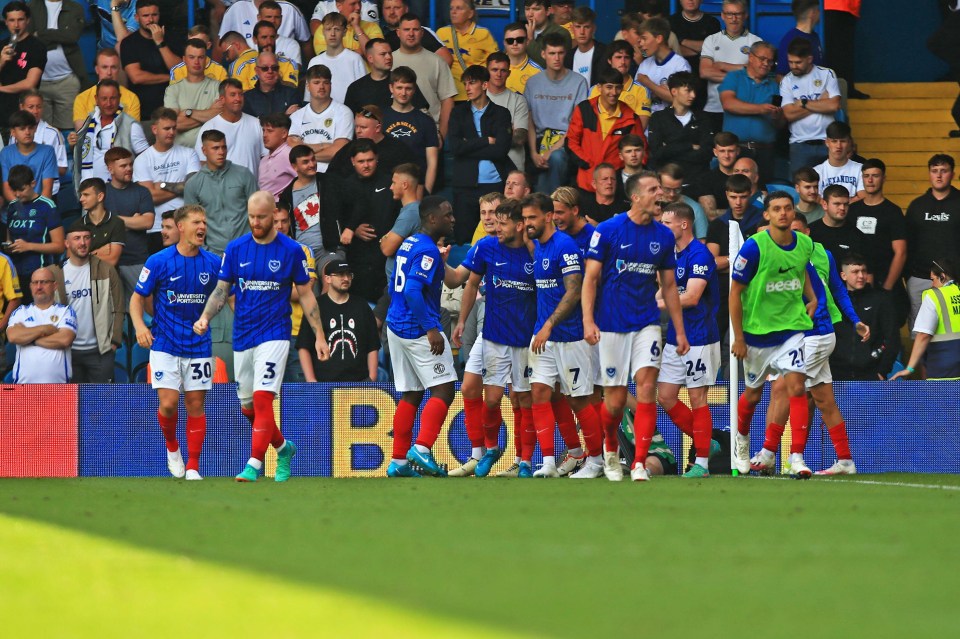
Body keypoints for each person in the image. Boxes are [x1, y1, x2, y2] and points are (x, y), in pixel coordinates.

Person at [195, 191, 330, 482]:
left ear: (274, 218)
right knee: (247, 407)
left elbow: (306, 295)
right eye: (252, 217)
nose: (255, 222)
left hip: (276, 334)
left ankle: (253, 464)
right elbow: (221, 290)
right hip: (243, 335)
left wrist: (319, 335)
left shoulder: (291, 250)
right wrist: (206, 316)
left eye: (261, 217)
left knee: (263, 399)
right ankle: (283, 448)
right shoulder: (235, 249)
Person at [582, 172, 687, 481]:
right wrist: (589, 320)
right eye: (653, 189)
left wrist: (679, 331)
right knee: (613, 403)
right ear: (637, 196)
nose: (661, 193)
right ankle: (611, 449)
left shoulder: (664, 236)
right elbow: (590, 279)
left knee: (646, 387)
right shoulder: (608, 230)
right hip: (612, 325)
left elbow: (669, 287)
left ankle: (640, 462)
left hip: (647, 324)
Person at [758, 214, 867, 476]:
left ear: (807, 232)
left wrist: (854, 320)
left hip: (815, 334)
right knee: (823, 398)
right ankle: (845, 460)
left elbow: (837, 290)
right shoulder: (785, 258)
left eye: (796, 232)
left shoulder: (810, 257)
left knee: (785, 387)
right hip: (806, 335)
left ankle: (775, 454)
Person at [730, 191, 818, 477]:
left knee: (797, 388)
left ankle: (797, 457)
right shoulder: (754, 248)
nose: (783, 213)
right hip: (756, 334)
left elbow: (801, 269)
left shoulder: (805, 243)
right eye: (776, 209)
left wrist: (811, 297)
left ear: (794, 213)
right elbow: (735, 293)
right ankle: (741, 440)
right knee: (753, 396)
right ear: (766, 215)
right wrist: (739, 337)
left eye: (787, 208)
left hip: (791, 328)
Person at [131, 205, 222, 480]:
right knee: (169, 404)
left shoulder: (213, 263)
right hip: (165, 345)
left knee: (195, 404)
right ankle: (172, 448)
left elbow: (220, 297)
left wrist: (208, 316)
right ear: (181, 227)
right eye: (196, 222)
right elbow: (137, 298)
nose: (202, 227)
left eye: (205, 222)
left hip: (199, 345)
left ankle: (193, 465)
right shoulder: (158, 261)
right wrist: (139, 327)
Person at [519, 192, 604, 479]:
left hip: (569, 336)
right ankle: (548, 462)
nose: (527, 223)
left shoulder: (564, 247)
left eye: (532, 217)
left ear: (548, 216)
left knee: (579, 400)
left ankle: (596, 461)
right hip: (544, 337)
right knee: (539, 394)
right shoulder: (539, 246)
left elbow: (574, 290)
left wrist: (549, 324)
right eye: (525, 218)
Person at [451, 198, 536, 477]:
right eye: (493, 221)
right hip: (495, 335)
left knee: (523, 400)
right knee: (491, 398)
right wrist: (462, 320)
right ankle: (490, 448)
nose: (495, 227)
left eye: (502, 222)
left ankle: (524, 460)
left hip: (525, 339)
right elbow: (470, 283)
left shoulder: (535, 253)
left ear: (520, 225)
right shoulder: (487, 247)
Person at [384, 196, 458, 477]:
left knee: (411, 393)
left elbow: (395, 285)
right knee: (444, 388)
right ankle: (423, 449)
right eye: (447, 214)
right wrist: (430, 328)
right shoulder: (427, 250)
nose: (452, 219)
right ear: (431, 219)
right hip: (416, 329)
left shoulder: (411, 243)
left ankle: (399, 462)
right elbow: (413, 290)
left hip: (396, 324)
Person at [656, 202, 720, 478]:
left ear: (684, 225)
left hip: (701, 336)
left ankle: (702, 463)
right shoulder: (670, 254)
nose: (662, 227)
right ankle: (707, 440)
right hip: (675, 335)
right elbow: (663, 289)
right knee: (666, 397)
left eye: (667, 223)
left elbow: (692, 297)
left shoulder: (700, 255)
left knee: (698, 398)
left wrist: (653, 305)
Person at [48, 222, 124, 383]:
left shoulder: (106, 269)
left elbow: (118, 307)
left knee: (102, 403)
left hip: (101, 351)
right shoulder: (55, 273)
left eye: (86, 238)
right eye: (77, 238)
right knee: (72, 404)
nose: (82, 242)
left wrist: (114, 341)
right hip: (68, 351)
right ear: (67, 243)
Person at [447, 65, 513, 244]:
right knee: (464, 238)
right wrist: (485, 141)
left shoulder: (501, 113)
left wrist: (468, 145)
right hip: (465, 185)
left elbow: (500, 150)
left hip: (495, 185)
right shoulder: (458, 112)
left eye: (472, 83)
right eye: (465, 84)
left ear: (484, 85)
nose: (467, 88)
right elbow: (454, 147)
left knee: (499, 236)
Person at [565, 66, 646, 195]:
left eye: (618, 87)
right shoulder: (584, 109)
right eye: (609, 87)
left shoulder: (630, 116)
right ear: (599, 87)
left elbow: (643, 150)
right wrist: (589, 165)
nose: (613, 92)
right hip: (586, 180)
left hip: (616, 184)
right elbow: (571, 142)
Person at [848, 158, 909, 326]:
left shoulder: (893, 212)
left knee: (888, 329)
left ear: (884, 178)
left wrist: (887, 288)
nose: (870, 180)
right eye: (866, 175)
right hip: (857, 282)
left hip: (886, 282)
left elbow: (901, 252)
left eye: (875, 175)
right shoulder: (852, 211)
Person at [526, 32, 588, 194]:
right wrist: (533, 153)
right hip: (538, 140)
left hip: (565, 141)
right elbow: (529, 121)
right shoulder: (533, 83)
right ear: (543, 54)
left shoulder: (578, 82)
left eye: (560, 53)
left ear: (565, 54)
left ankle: (548, 204)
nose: (556, 58)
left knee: (556, 158)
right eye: (552, 53)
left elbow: (577, 124)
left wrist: (551, 151)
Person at [297, 258, 377, 382]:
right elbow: (303, 346)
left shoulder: (362, 306)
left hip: (359, 382)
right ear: (327, 279)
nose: (345, 278)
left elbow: (373, 345)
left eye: (348, 275)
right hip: (323, 383)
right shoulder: (315, 306)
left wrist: (371, 378)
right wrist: (311, 380)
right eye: (340, 274)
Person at [903, 154, 960, 329]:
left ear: (952, 173)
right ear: (929, 174)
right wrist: (909, 275)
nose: (939, 175)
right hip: (920, 277)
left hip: (955, 280)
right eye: (934, 171)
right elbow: (907, 243)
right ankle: (920, 358)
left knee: (954, 329)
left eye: (944, 171)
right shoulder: (917, 206)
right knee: (921, 329)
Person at [134, 108, 200, 255]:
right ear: (154, 129)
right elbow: (150, 197)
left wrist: (162, 185)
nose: (171, 132)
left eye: (174, 128)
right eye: (166, 128)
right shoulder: (142, 160)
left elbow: (194, 187)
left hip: (187, 224)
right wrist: (182, 187)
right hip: (157, 228)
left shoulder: (189, 154)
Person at [184, 129, 258, 256]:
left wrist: (255, 243)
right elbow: (191, 224)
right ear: (204, 151)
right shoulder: (193, 184)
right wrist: (206, 252)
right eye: (215, 148)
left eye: (224, 147)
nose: (221, 152)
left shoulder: (244, 174)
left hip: (247, 249)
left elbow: (258, 211)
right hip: (214, 255)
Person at [718, 41, 782, 186]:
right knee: (735, 192)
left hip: (765, 151)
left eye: (770, 61)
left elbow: (780, 124)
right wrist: (761, 109)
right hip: (736, 150)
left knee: (764, 195)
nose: (766, 63)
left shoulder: (774, 86)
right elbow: (728, 104)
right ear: (751, 57)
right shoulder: (734, 77)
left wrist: (777, 117)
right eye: (762, 59)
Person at [831, 254, 900, 381]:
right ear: (843, 276)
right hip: (837, 375)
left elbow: (892, 338)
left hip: (871, 376)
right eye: (855, 272)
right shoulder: (833, 303)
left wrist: (882, 372)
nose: (861, 276)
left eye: (864, 271)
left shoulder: (881, 300)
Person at [891, 257, 960, 381]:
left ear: (942, 277)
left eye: (933, 279)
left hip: (943, 369)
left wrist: (910, 368)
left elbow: (923, 335)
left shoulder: (933, 296)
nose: (932, 284)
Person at [698, 0, 761, 133]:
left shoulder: (756, 42)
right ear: (722, 15)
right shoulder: (711, 40)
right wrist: (743, 72)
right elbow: (705, 72)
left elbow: (756, 73)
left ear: (745, 15)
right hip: (715, 109)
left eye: (738, 14)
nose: (733, 19)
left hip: (743, 108)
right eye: (729, 14)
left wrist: (722, 65)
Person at [74, 80, 149, 190]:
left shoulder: (131, 126)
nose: (108, 103)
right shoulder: (88, 124)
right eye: (104, 98)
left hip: (121, 192)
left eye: (113, 98)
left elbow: (147, 159)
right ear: (96, 99)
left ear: (119, 98)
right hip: (90, 192)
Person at [391, 13, 457, 138]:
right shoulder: (389, 61)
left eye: (415, 29)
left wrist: (441, 136)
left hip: (429, 133)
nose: (411, 34)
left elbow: (447, 101)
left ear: (422, 33)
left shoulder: (438, 62)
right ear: (398, 32)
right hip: (395, 132)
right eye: (406, 30)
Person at [5, 165, 63, 303]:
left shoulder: (47, 206)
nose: (18, 194)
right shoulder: (12, 206)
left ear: (33, 183)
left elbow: (59, 246)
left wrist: (29, 246)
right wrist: (9, 245)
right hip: (14, 273)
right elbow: (9, 236)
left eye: (22, 189)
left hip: (39, 273)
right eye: (14, 190)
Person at [6, 267, 76, 383]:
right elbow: (13, 337)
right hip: (24, 390)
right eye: (35, 283)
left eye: (44, 282)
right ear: (30, 286)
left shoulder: (66, 311)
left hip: (59, 390)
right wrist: (44, 329)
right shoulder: (20, 312)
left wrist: (29, 339)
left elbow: (64, 340)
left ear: (55, 286)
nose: (39, 287)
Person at [780, 38, 839, 175]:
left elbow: (833, 105)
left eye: (798, 62)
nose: (793, 66)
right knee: (800, 190)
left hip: (827, 143)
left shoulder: (827, 74)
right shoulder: (786, 81)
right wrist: (820, 101)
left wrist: (803, 103)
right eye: (790, 62)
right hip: (800, 145)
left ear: (809, 59)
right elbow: (788, 114)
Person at [103, 147, 155, 297]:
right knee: (117, 313)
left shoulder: (142, 192)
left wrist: (114, 219)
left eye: (130, 165)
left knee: (145, 309)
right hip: (110, 261)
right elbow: (98, 226)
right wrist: (133, 220)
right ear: (110, 169)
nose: (129, 169)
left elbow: (147, 222)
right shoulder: (101, 193)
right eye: (123, 166)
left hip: (137, 259)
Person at [28, 0, 87, 131]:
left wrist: (42, 34)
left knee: (69, 132)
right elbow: (29, 38)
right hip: (39, 82)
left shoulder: (75, 8)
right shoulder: (32, 6)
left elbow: (72, 36)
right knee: (41, 132)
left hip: (67, 80)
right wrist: (59, 35)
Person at [646, 71, 714, 182]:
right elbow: (657, 153)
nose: (693, 95)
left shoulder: (703, 118)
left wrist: (670, 147)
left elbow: (707, 153)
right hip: (667, 182)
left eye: (694, 91)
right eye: (688, 91)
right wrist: (690, 146)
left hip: (698, 181)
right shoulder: (658, 118)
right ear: (674, 91)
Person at [380, 67, 439, 193]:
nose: (403, 93)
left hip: (416, 188)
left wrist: (426, 193)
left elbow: (432, 162)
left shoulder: (426, 121)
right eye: (399, 88)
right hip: (385, 188)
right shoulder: (380, 118)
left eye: (408, 88)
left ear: (414, 90)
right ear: (391, 88)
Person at [194, 79, 267, 181]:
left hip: (252, 191)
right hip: (222, 192)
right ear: (222, 99)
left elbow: (266, 157)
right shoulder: (210, 127)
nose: (238, 98)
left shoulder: (256, 124)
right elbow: (201, 162)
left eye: (240, 94)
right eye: (233, 95)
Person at [287, 65, 354, 175]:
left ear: (331, 85)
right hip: (303, 178)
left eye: (326, 82)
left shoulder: (344, 112)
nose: (322, 86)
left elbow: (338, 152)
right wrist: (324, 146)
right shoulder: (297, 116)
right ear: (308, 86)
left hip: (333, 175)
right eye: (316, 82)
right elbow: (292, 147)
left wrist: (305, 157)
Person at [120, 1, 180, 118]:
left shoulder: (171, 38)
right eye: (145, 16)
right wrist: (170, 77)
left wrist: (160, 42)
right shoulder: (129, 43)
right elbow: (136, 77)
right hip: (143, 110)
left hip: (173, 107)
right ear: (137, 18)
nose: (151, 20)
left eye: (154, 15)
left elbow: (179, 69)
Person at [343, 38, 431, 114]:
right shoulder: (355, 88)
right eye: (383, 54)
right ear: (370, 58)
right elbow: (349, 122)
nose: (388, 57)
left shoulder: (404, 81)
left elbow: (423, 114)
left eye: (390, 53)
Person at [163, 38, 223, 148]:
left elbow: (221, 116)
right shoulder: (173, 89)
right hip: (181, 153)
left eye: (201, 57)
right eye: (192, 57)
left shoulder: (219, 86)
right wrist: (209, 113)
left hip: (211, 153)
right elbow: (174, 124)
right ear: (184, 59)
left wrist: (188, 112)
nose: (196, 62)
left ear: (206, 59)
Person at [436, 0, 499, 103]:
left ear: (470, 13)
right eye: (451, 8)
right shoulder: (441, 33)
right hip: (450, 96)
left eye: (459, 8)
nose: (453, 12)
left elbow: (495, 63)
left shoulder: (483, 34)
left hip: (476, 96)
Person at [278, 144, 333, 258]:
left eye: (313, 159)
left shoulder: (329, 182)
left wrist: (352, 227)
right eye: (305, 162)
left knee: (333, 275)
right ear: (294, 166)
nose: (312, 164)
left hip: (328, 250)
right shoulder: (286, 195)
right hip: (300, 253)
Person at [485, 52, 530, 175]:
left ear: (509, 73)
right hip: (484, 169)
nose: (499, 74)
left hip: (513, 170)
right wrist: (507, 130)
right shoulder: (475, 100)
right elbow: (468, 137)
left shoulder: (518, 100)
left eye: (503, 70)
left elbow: (520, 138)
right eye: (494, 70)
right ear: (486, 71)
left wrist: (485, 137)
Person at [634, 18, 691, 115]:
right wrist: (663, 91)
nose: (641, 44)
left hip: (671, 124)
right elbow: (635, 97)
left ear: (659, 39)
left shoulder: (680, 65)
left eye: (644, 38)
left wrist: (649, 84)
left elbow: (681, 100)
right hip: (647, 124)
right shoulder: (644, 64)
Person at [306, 12, 366, 105]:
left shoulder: (355, 59)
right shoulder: (314, 62)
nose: (332, 34)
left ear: (344, 32)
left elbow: (363, 93)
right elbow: (309, 97)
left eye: (337, 29)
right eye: (328, 29)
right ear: (323, 32)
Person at [73, 49, 141, 129]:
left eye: (113, 67)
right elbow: (83, 134)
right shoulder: (82, 99)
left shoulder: (132, 98)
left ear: (119, 69)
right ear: (97, 70)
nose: (109, 73)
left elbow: (131, 133)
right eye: (104, 67)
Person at [0, 3, 46, 119]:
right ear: (5, 22)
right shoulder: (1, 45)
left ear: (28, 20)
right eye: (11, 20)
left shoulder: (37, 46)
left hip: (24, 113)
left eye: (20, 19)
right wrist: (1, 61)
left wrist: (1, 89)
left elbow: (30, 83)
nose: (16, 25)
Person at [15, 91, 68, 190]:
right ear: (21, 107)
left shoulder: (53, 133)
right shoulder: (15, 133)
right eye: (31, 107)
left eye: (39, 107)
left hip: (47, 191)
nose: (35, 111)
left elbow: (62, 169)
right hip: (20, 191)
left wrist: (40, 165)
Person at [1, 111, 57, 201]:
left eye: (30, 128)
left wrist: (35, 211)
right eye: (22, 129)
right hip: (15, 210)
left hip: (40, 209)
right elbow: (6, 188)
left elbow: (47, 188)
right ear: (13, 132)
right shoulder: (6, 153)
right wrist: (21, 210)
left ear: (35, 129)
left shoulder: (47, 151)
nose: (27, 132)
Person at [220, 30, 299, 91]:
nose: (226, 58)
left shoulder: (237, 64)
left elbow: (240, 95)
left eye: (226, 53)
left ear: (236, 45)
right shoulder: (278, 59)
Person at [591, 40, 650, 121]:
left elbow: (641, 125)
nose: (623, 62)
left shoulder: (641, 90)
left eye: (627, 57)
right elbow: (589, 120)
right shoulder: (595, 89)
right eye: (618, 57)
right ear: (609, 60)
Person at [76, 178, 126, 268]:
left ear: (100, 197)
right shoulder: (76, 226)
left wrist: (86, 256)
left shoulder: (116, 223)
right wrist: (98, 252)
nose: (81, 199)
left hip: (108, 278)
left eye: (86, 195)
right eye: (81, 195)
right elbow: (72, 261)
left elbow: (112, 261)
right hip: (84, 279)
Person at [809, 184, 865, 263]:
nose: (842, 208)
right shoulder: (810, 233)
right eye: (837, 204)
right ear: (825, 205)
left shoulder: (858, 236)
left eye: (845, 204)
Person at [220, 0, 308, 50]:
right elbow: (220, 43)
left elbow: (306, 42)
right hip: (244, 71)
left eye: (277, 17)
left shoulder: (290, 9)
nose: (273, 20)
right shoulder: (236, 8)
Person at [380, 0, 449, 63]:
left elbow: (446, 59)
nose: (392, 12)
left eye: (397, 8)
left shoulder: (420, 32)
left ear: (406, 9)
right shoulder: (378, 33)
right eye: (387, 8)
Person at [824, 0, 868, 99]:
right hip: (833, 7)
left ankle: (847, 89)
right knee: (837, 51)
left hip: (848, 8)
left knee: (844, 52)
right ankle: (840, 90)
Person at [695, 130, 740, 221]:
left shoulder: (749, 174)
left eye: (730, 151)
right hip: (721, 229)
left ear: (738, 151)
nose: (726, 155)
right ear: (715, 152)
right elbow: (710, 215)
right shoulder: (705, 179)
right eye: (722, 151)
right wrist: (742, 212)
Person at [812, 121, 865, 200]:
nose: (838, 146)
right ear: (827, 142)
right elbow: (816, 199)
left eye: (843, 141)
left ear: (849, 143)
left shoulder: (860, 169)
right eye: (834, 141)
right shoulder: (816, 171)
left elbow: (863, 197)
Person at [242, 52, 301, 119]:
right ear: (257, 71)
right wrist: (285, 116)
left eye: (274, 68)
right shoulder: (247, 98)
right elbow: (252, 126)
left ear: (278, 69)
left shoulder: (291, 93)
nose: (270, 71)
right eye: (264, 68)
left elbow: (295, 123)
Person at [658, 163, 709, 239]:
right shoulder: (651, 206)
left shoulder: (695, 208)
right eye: (667, 189)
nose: (672, 194)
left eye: (677, 189)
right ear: (659, 184)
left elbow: (702, 241)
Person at [312, 0, 382, 54]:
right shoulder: (323, 29)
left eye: (359, 3)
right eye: (353, 4)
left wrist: (357, 27)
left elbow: (375, 56)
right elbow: (329, 57)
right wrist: (359, 52)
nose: (358, 7)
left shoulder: (372, 27)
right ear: (339, 6)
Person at [670, 0, 721, 73]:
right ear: (680, 1)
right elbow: (671, 51)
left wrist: (682, 41)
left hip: (705, 73)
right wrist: (702, 52)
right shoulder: (671, 22)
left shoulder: (712, 22)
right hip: (677, 74)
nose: (690, 0)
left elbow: (715, 49)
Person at [776, 0, 823, 76]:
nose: (820, 13)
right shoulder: (789, 39)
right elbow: (780, 76)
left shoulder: (815, 37)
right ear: (812, 13)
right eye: (818, 9)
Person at [258, 113, 297, 199]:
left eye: (270, 131)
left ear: (284, 134)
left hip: (280, 209)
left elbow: (305, 182)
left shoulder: (289, 155)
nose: (264, 135)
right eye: (263, 130)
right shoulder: (264, 159)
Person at [565, 6, 606, 87]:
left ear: (593, 29)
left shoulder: (605, 53)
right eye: (578, 27)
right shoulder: (568, 57)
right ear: (572, 29)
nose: (582, 32)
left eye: (586, 27)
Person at [523, 0, 572, 68]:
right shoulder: (520, 32)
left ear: (548, 11)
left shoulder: (561, 33)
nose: (530, 14)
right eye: (527, 9)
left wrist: (530, 40)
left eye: (536, 9)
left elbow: (550, 65)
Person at [501, 21, 541, 95]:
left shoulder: (538, 72)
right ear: (504, 43)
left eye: (520, 40)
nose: (515, 43)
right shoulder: (493, 69)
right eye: (510, 41)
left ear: (527, 42)